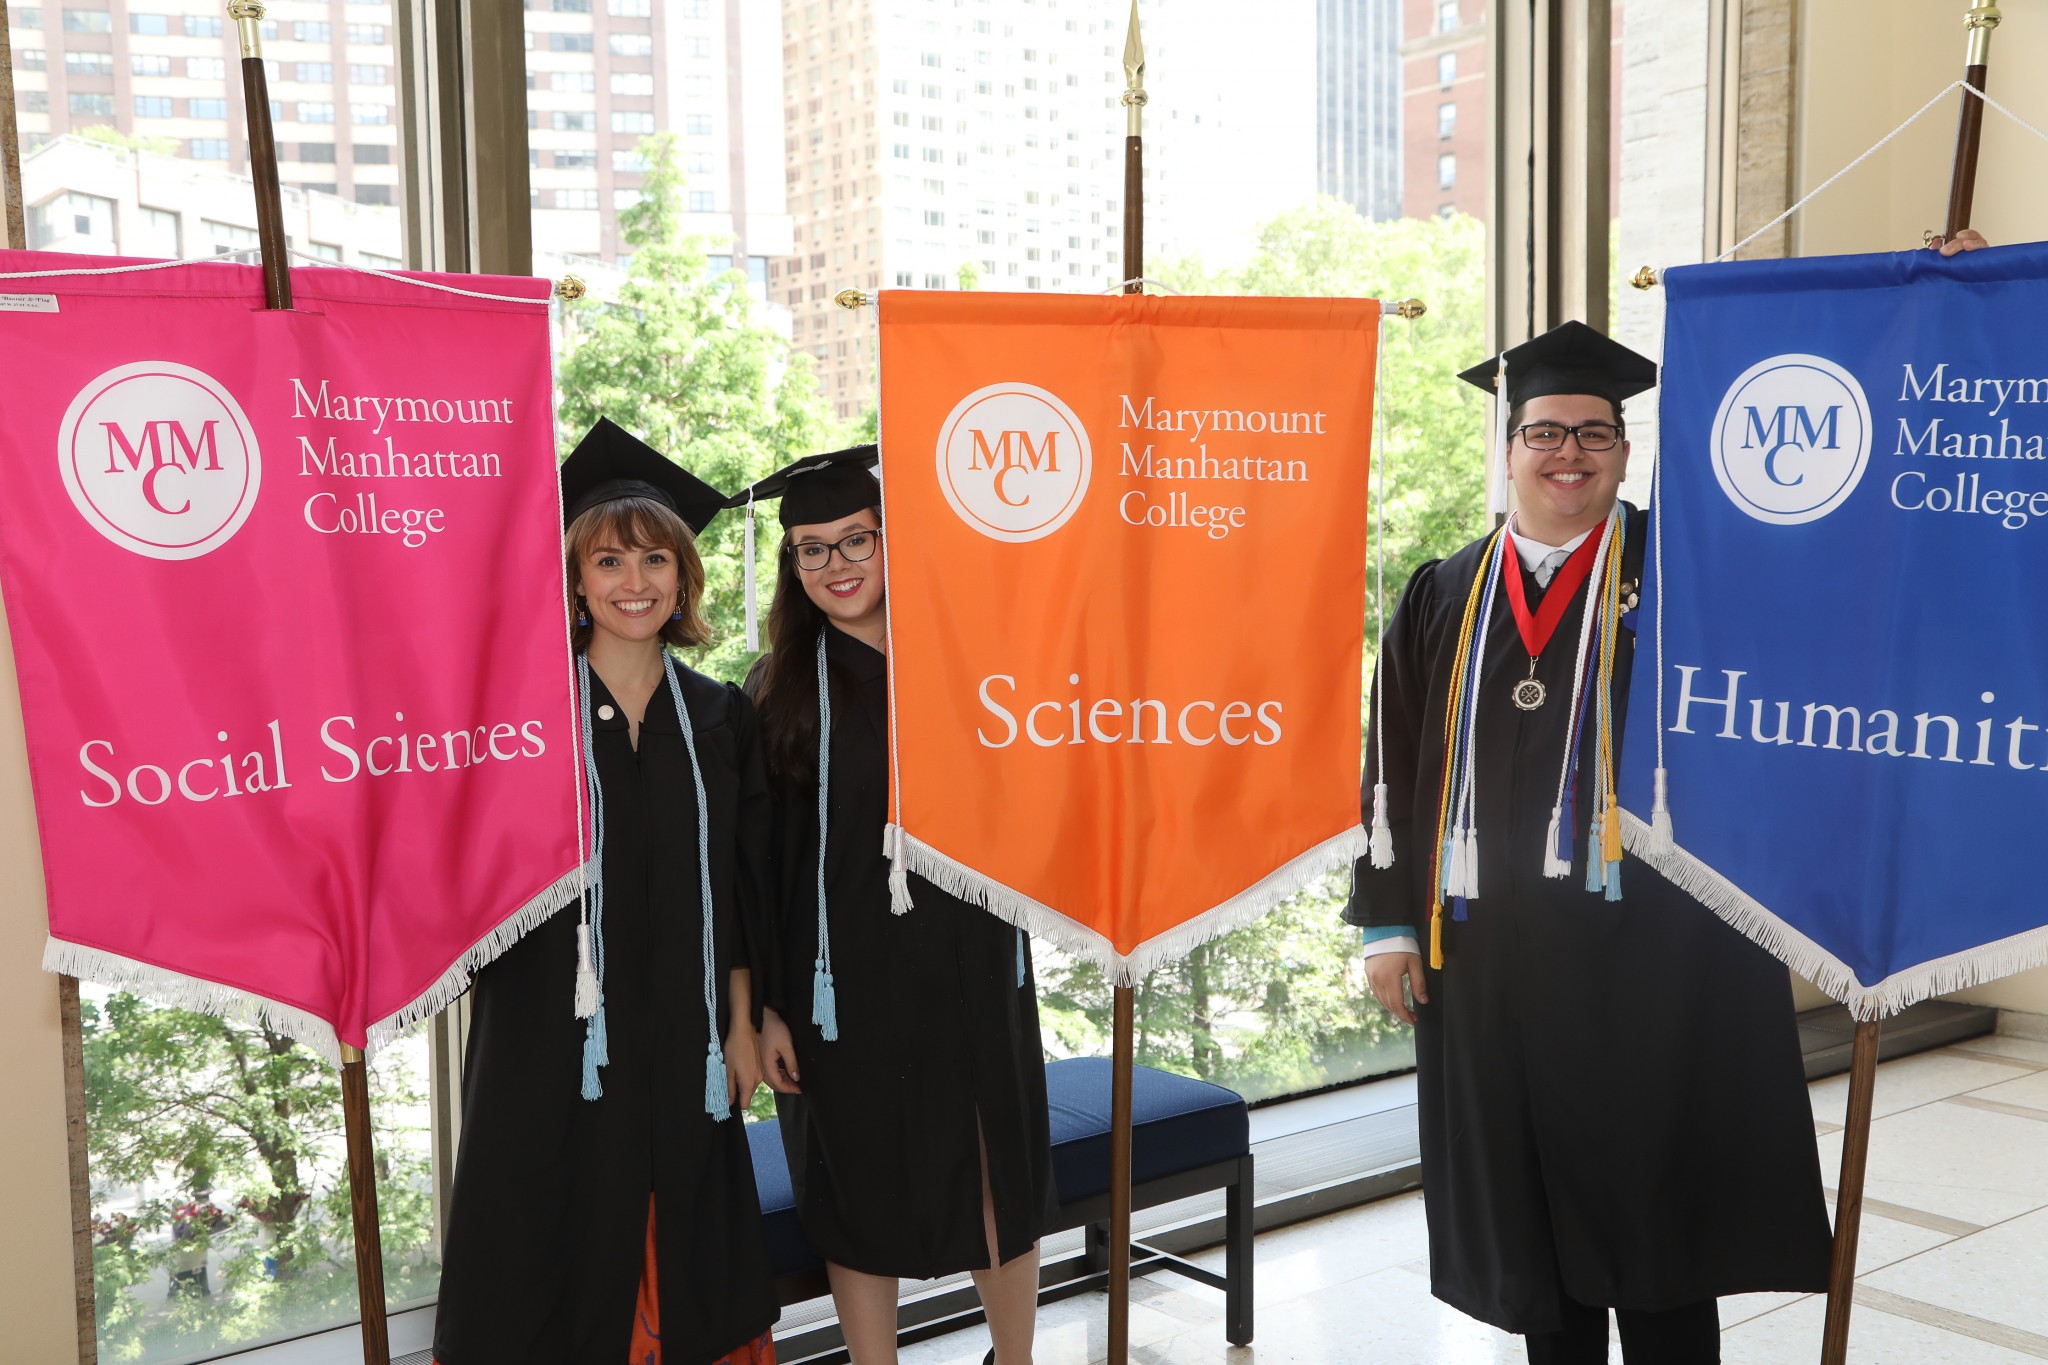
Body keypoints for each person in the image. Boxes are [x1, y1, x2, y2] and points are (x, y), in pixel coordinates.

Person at [1347, 323, 1833, 1364]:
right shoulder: (1444, 590)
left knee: (1658, 1226)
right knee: (1532, 1239)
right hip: (1488, 962)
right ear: (1508, 445)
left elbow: (1817, 619)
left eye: (1594, 435)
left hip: (1657, 960)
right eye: (1545, 433)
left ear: (1621, 448)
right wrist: (1385, 921)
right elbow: (1388, 767)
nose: (1568, 454)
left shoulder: (1693, 571)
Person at [434, 419, 779, 1365]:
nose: (636, 582)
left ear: (684, 577)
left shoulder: (720, 712)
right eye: (610, 560)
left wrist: (741, 1023)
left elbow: (744, 884)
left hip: (688, 1027)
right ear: (576, 580)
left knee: (683, 1212)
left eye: (656, 559)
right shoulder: (520, 714)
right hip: (548, 1024)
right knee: (541, 1211)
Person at [735, 447, 1057, 1365]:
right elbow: (757, 868)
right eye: (811, 549)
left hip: (970, 960)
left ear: (892, 541)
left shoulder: (967, 659)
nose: (836, 565)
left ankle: (1016, 1357)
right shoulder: (778, 689)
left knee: (997, 1162)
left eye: (855, 541)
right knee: (854, 1178)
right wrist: (766, 1010)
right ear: (793, 566)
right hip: (836, 986)